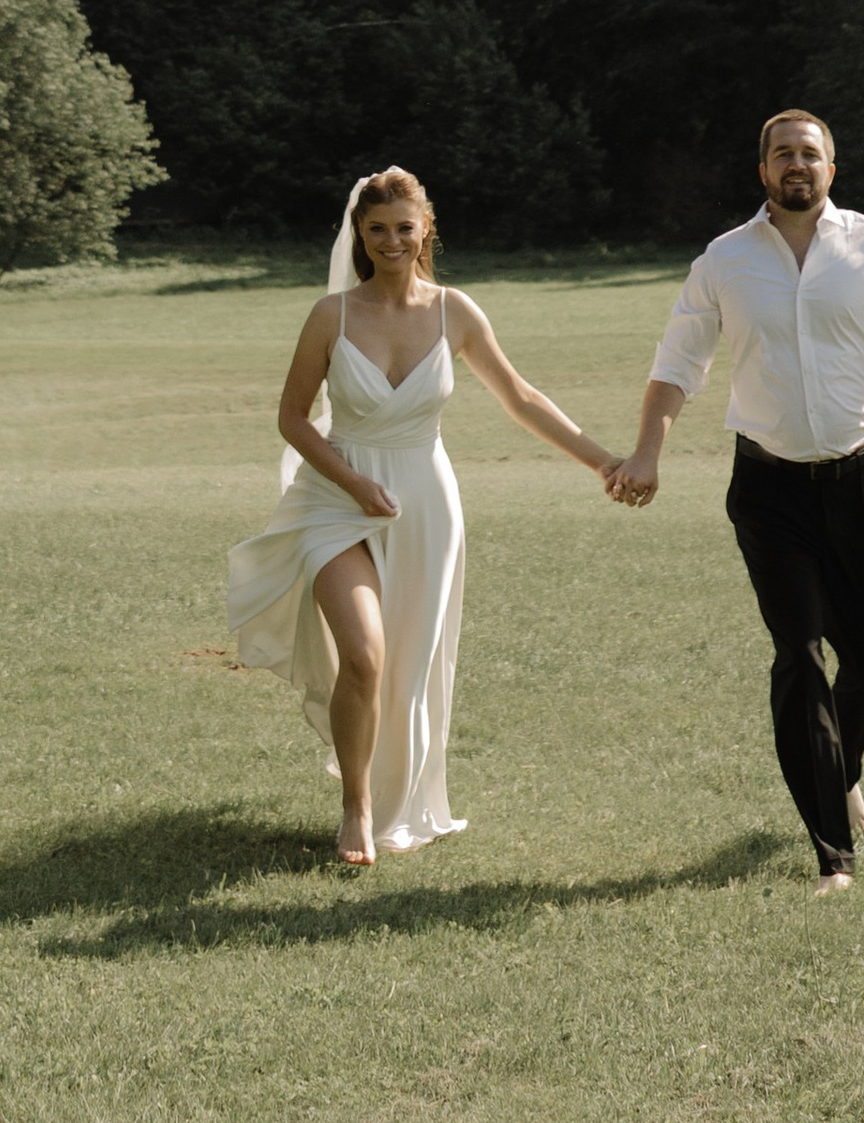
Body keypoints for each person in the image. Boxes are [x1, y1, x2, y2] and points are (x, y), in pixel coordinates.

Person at [604, 110, 864, 894]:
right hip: (766, 489)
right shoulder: (725, 260)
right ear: (762, 171)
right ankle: (834, 857)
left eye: (810, 154)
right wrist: (648, 451)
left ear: (832, 170)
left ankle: (839, 768)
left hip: (857, 478)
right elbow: (676, 365)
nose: (796, 164)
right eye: (782, 154)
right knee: (799, 656)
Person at [228, 165, 619, 867]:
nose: (390, 241)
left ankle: (401, 801)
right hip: (335, 500)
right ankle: (357, 806)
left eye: (403, 227)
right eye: (376, 230)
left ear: (426, 227)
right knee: (366, 655)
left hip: (425, 502)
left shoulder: (456, 312)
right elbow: (292, 418)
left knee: (407, 665)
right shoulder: (332, 316)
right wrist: (352, 482)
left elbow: (522, 398)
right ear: (359, 233)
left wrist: (602, 462)